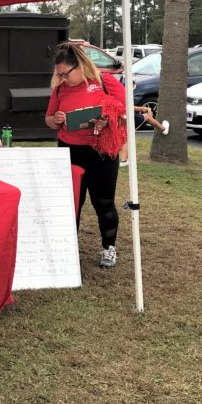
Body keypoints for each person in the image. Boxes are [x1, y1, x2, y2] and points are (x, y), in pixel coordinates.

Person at [44, 41, 127, 268]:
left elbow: (125, 112)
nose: (62, 79)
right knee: (72, 202)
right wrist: (57, 120)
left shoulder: (105, 82)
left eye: (65, 74)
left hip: (101, 151)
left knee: (103, 201)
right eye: (59, 75)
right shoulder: (60, 89)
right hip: (70, 150)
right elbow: (49, 120)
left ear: (80, 65)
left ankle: (109, 248)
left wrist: (107, 119)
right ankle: (68, 248)